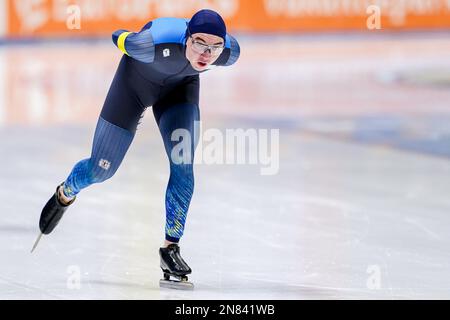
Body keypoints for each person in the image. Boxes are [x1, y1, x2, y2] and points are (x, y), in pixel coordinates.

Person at [34, 9, 240, 290]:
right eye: (199, 43)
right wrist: (128, 38)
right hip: (132, 87)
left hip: (179, 91)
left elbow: (218, 49)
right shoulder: (153, 43)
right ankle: (67, 191)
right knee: (100, 170)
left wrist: (212, 48)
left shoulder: (229, 52)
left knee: (183, 163)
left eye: (214, 47)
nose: (206, 54)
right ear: (186, 38)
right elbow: (117, 36)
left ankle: (170, 248)